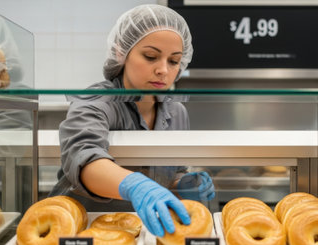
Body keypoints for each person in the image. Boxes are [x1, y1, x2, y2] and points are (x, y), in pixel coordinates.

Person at [49, 4, 215, 237]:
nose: (163, 70)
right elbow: (83, 158)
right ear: (121, 52)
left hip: (145, 232)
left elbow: (167, 174)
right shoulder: (97, 101)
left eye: (174, 61)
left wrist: (181, 183)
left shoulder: (176, 112)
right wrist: (135, 186)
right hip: (82, 230)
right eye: (151, 56)